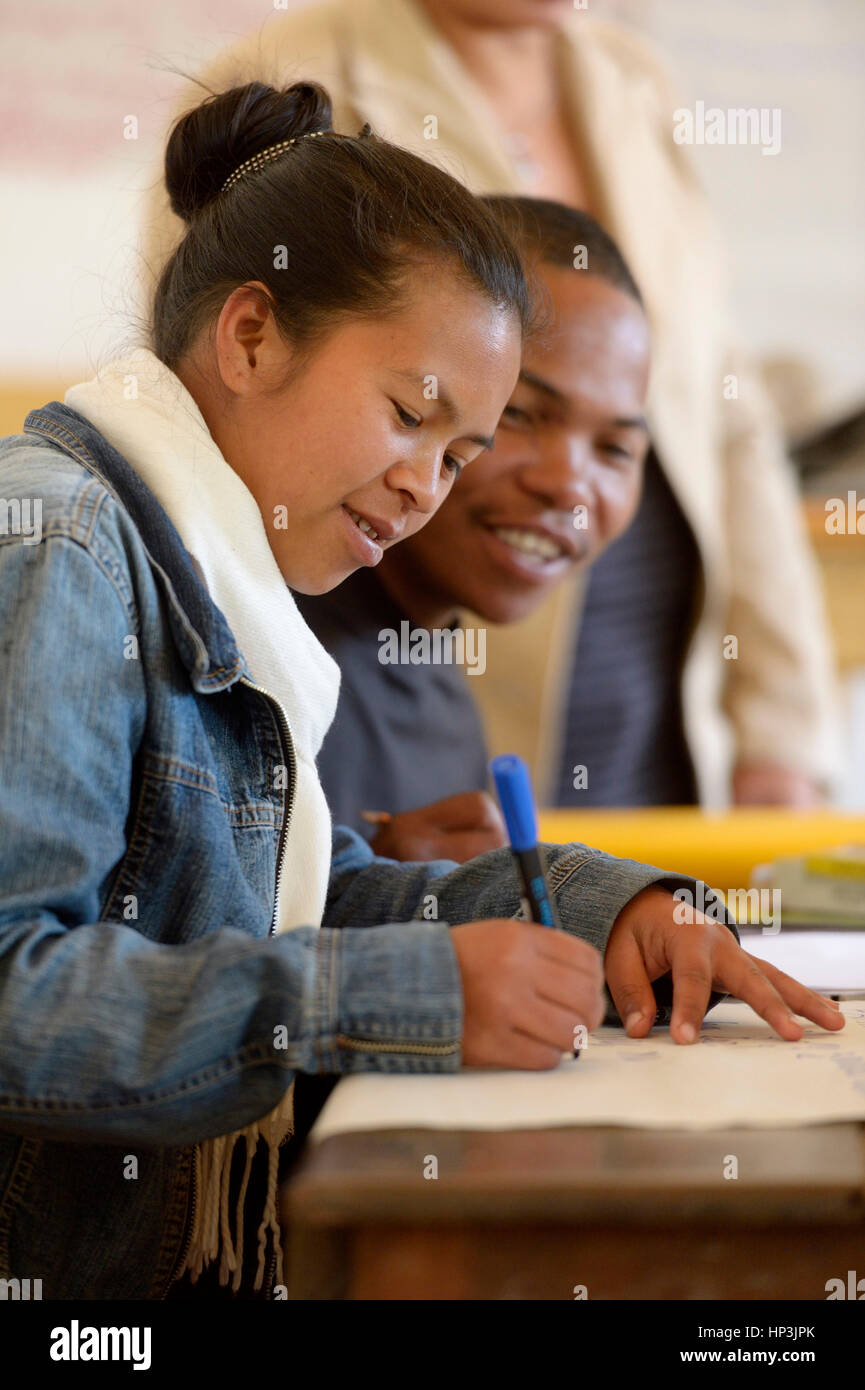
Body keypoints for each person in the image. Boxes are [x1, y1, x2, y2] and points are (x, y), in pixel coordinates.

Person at [0, 79, 843, 1305]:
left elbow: (293, 895)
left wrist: (595, 910)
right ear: (249, 337)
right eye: (409, 416)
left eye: (455, 454)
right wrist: (403, 993)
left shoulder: (225, 561)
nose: (423, 488)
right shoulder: (65, 547)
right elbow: (18, 984)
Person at [139, 0, 840, 809]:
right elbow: (213, 395)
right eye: (517, 418)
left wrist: (778, 734)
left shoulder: (631, 80)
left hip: (640, 700)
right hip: (386, 704)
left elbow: (729, 415)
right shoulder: (284, 77)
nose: (566, 477)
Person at [296, 196, 652, 860]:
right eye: (518, 414)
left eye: (615, 451)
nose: (569, 486)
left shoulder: (444, 698)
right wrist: (375, 910)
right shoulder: (260, 661)